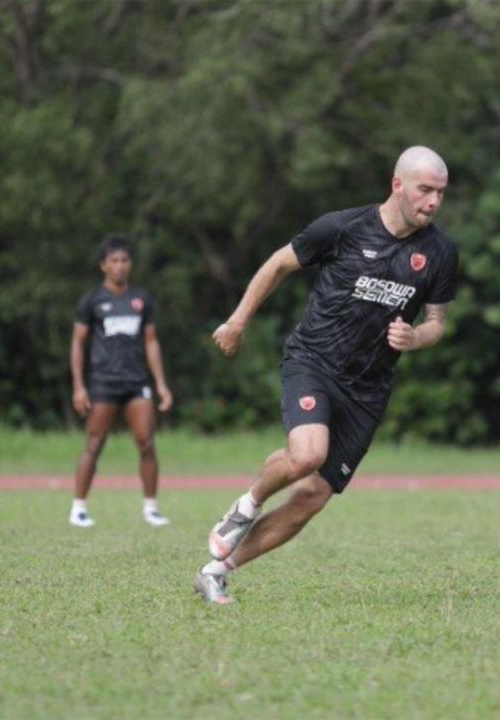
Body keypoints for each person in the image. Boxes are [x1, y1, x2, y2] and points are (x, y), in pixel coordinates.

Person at [193, 146, 460, 604]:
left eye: (440, 193)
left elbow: (437, 321)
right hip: (314, 361)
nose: (433, 202)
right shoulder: (342, 227)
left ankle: (216, 570)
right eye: (425, 190)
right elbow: (278, 264)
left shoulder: (439, 252)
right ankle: (246, 505)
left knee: (312, 497)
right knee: (306, 455)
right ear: (397, 185)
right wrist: (237, 322)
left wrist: (417, 338)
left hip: (368, 389)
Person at [69, 234, 173, 528]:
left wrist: (161, 384)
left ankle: (151, 508)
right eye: (113, 261)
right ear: (103, 265)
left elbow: (151, 343)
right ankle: (78, 508)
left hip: (137, 382)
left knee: (146, 443)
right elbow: (77, 343)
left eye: (124, 260)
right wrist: (79, 385)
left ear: (131, 264)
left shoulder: (141, 299)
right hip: (103, 382)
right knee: (94, 443)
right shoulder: (92, 301)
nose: (119, 266)